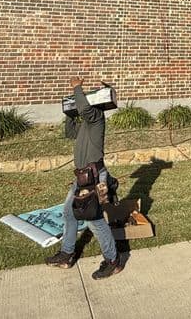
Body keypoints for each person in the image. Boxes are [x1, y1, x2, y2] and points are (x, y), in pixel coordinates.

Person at [45, 77, 123, 280]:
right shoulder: (87, 124)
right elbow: (70, 132)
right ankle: (67, 255)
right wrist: (70, 115)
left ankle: (113, 261)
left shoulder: (96, 118)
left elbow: (85, 109)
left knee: (94, 220)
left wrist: (77, 87)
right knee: (69, 213)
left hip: (93, 177)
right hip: (81, 177)